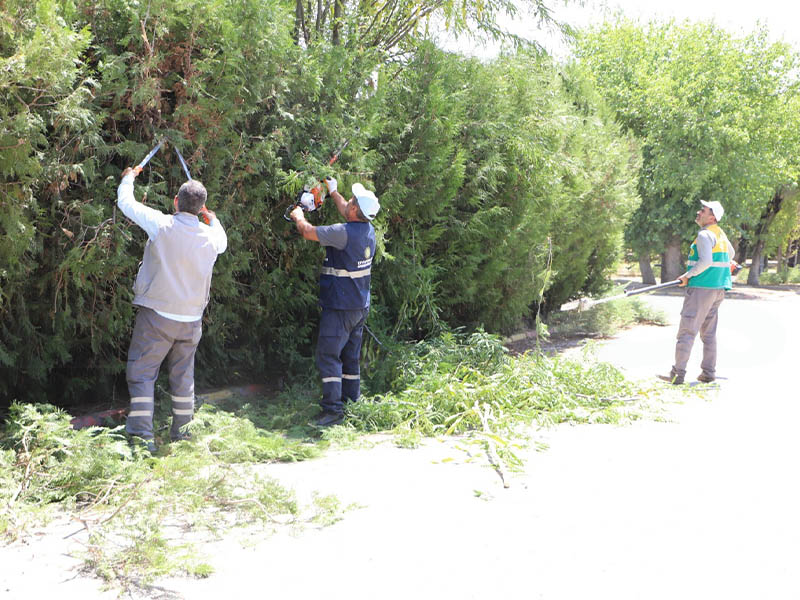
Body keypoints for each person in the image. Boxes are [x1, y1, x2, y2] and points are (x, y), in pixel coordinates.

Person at [117, 167, 227, 452]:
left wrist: (129, 177)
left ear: (176, 202)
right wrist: (212, 220)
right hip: (191, 321)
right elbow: (223, 240)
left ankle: (142, 439)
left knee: (142, 374)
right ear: (201, 208)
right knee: (183, 379)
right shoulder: (213, 237)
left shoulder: (161, 224)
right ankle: (182, 435)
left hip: (156, 317)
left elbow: (126, 203)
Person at [289, 177, 380, 426]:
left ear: (354, 210)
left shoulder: (342, 233)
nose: (347, 203)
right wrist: (334, 192)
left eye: (349, 201)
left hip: (340, 308)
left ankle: (332, 411)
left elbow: (308, 232)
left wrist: (298, 215)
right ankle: (352, 402)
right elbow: (346, 210)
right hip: (359, 307)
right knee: (350, 357)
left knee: (328, 356)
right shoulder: (367, 229)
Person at [659, 200, 733, 385]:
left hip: (701, 288)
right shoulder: (720, 234)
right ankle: (708, 373)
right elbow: (730, 254)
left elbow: (706, 261)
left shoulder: (704, 235)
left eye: (703, 210)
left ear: (712, 216)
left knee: (687, 331)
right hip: (718, 289)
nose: (699, 212)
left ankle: (677, 374)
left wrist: (687, 276)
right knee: (708, 334)